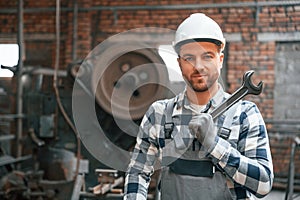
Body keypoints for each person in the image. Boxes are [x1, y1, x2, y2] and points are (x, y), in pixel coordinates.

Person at [123, 13, 273, 200]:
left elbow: (263, 184)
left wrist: (214, 145)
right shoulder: (159, 114)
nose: (198, 66)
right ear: (179, 63)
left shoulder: (244, 115)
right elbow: (138, 172)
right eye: (189, 58)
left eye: (207, 56)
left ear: (220, 59)